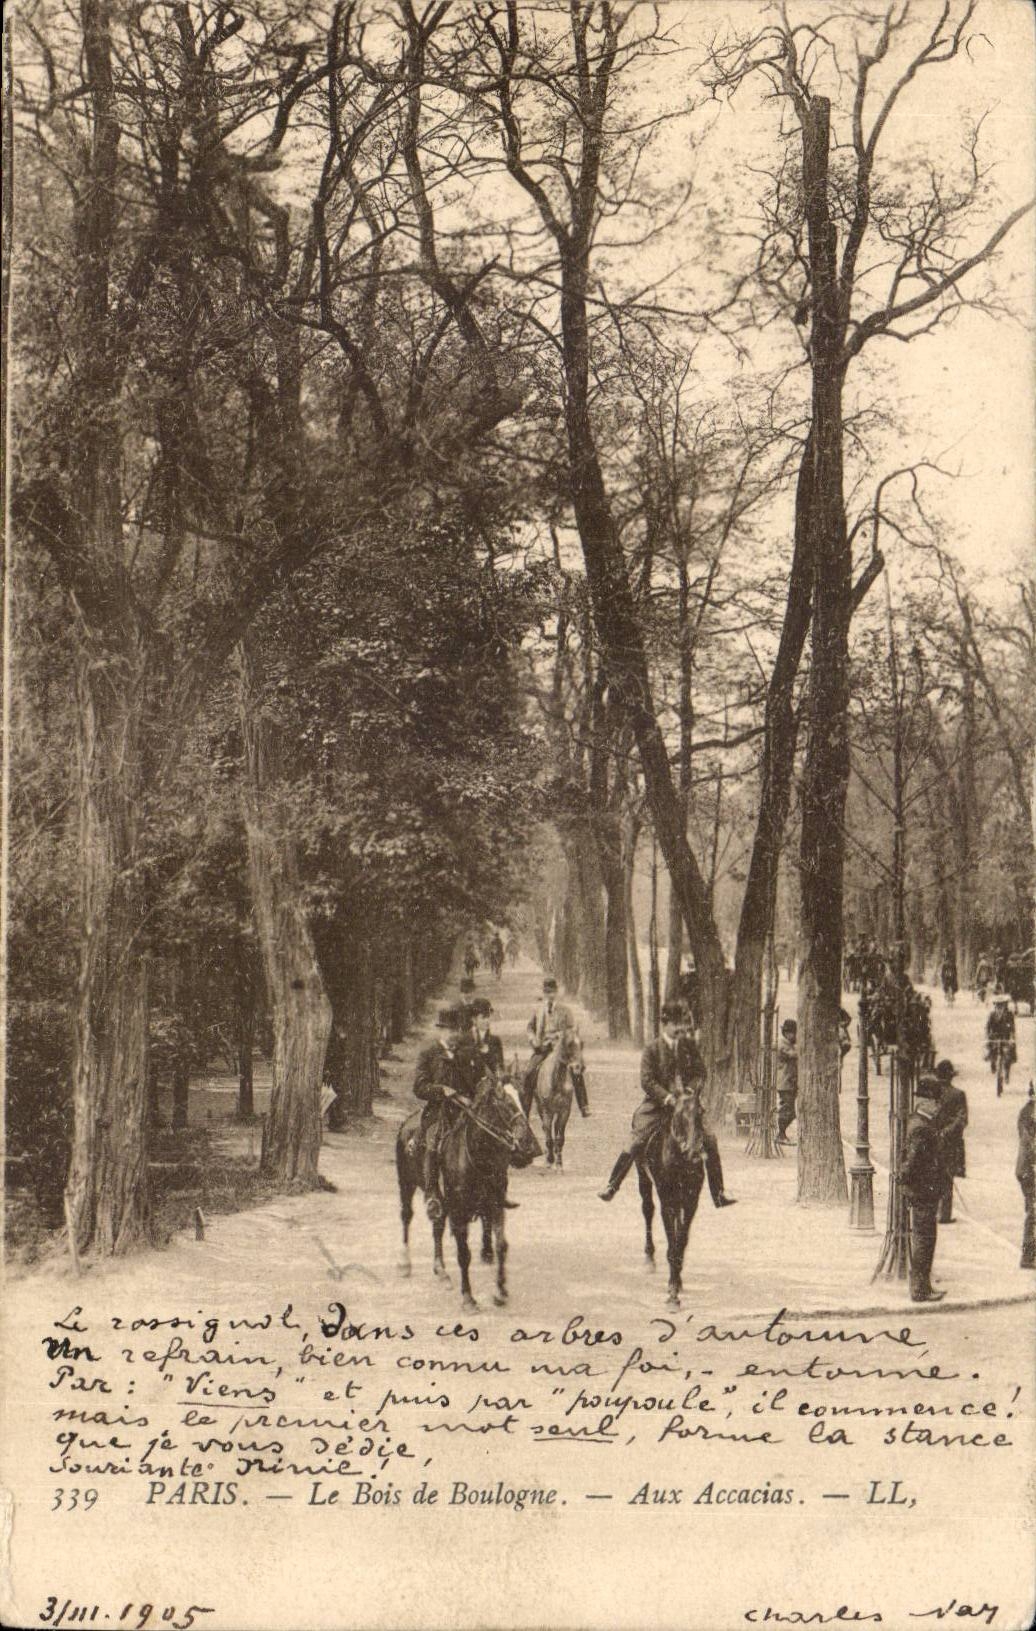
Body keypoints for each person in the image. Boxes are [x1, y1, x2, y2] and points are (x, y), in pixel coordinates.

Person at [599, 1002, 708, 1202]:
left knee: (709, 1139)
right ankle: (613, 1184)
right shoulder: (651, 1049)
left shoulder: (688, 1047)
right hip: (658, 1106)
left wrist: (690, 1091)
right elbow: (647, 1080)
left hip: (686, 1105)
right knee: (637, 1139)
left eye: (681, 1024)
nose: (679, 1029)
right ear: (664, 1024)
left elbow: (700, 1073)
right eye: (674, 1024)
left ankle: (718, 1192)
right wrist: (667, 1097)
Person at [413, 1006, 478, 1219]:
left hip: (463, 1108)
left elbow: (472, 1082)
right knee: (433, 1143)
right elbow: (419, 1088)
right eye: (447, 1030)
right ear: (440, 1031)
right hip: (438, 1110)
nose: (452, 1035)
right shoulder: (428, 1053)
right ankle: (431, 1194)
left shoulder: (463, 1054)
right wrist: (442, 1090)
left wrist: (470, 1096)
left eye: (455, 1030)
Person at [901, 1073, 947, 1303]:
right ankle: (920, 1289)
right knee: (924, 1241)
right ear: (926, 1102)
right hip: (923, 1192)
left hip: (924, 1191)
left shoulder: (920, 1123)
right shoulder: (921, 1127)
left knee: (926, 1239)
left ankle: (923, 1286)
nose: (938, 1107)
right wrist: (909, 1182)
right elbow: (912, 1161)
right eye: (936, 1102)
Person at [933, 1059, 968, 1225]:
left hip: (930, 1141)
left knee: (931, 1175)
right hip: (951, 1143)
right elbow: (962, 1120)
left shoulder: (931, 1093)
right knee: (947, 1177)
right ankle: (944, 1215)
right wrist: (946, 1133)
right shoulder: (958, 1095)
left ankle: (933, 1211)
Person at [1016, 1089, 1035, 1270]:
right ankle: (1028, 1257)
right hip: (1030, 1170)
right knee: (1034, 1213)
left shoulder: (1027, 1111)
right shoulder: (1030, 1115)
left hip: (1026, 1169)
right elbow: (1029, 1146)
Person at [469, 996, 505, 1078]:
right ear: (474, 1019)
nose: (487, 1020)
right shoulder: (466, 1039)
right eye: (483, 1017)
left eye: (488, 1017)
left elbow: (499, 1067)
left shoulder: (495, 1040)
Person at [776, 1019, 798, 1143]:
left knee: (789, 1110)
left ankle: (781, 1133)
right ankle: (781, 1134)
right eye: (794, 1034)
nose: (795, 1037)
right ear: (787, 1033)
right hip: (785, 1082)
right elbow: (795, 1055)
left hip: (789, 1081)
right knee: (787, 1110)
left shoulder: (788, 1043)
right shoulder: (782, 1044)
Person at [985, 992, 1017, 1077]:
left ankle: (1007, 1069)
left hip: (1005, 1037)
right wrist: (987, 1036)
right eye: (998, 1005)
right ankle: (992, 1061)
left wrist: (1012, 1038)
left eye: (1002, 1005)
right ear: (995, 1005)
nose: (1000, 1007)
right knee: (990, 1047)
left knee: (1010, 1051)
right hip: (994, 1036)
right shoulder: (992, 1015)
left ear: (1005, 1005)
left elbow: (1012, 1028)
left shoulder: (1009, 1014)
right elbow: (987, 1027)